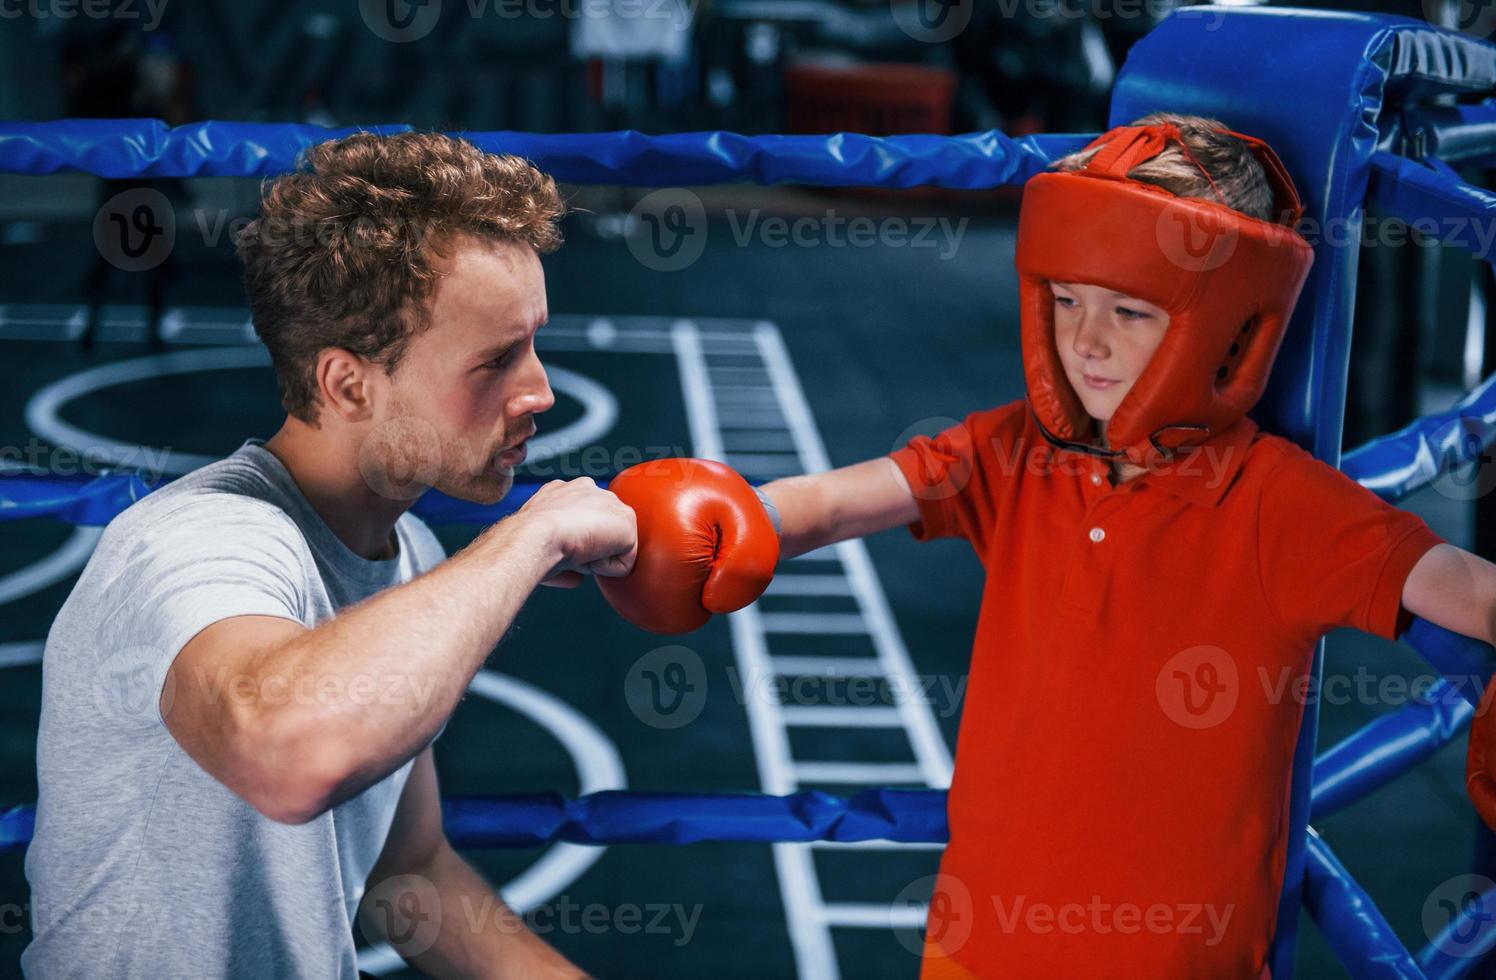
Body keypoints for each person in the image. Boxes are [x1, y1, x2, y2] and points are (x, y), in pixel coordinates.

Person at [600, 114, 1496, 975]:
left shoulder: (1280, 503)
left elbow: (1467, 590)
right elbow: (838, 503)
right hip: (977, 943)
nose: (1086, 342)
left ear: (1229, 324)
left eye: (1131, 313)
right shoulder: (1013, 453)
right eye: (1067, 299)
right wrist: (698, 526)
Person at [24, 132, 639, 978]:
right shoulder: (197, 541)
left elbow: (407, 874)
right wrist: (533, 535)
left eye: (532, 344)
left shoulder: (405, 550)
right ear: (348, 385)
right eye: (496, 360)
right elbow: (287, 754)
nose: (539, 390)